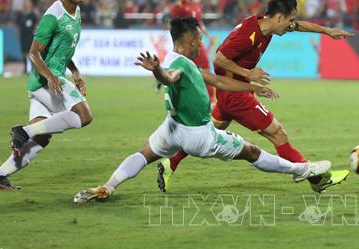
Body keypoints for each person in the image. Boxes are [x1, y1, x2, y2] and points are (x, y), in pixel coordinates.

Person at [73, 18, 330, 202]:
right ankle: (302, 170)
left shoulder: (182, 61)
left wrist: (251, 87)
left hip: (171, 128)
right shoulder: (179, 66)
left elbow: (218, 81)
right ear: (189, 40)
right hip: (199, 135)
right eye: (198, 39)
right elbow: (170, 77)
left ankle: (108, 186)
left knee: (144, 154)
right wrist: (158, 72)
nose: (201, 44)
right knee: (251, 151)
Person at [157, 0, 353, 193]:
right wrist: (247, 73)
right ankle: (317, 179)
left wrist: (328, 31)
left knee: (209, 130)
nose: (292, 25)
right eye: (290, 20)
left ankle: (170, 163)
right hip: (236, 94)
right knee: (277, 134)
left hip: (229, 93)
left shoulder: (266, 25)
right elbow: (219, 59)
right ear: (279, 18)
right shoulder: (248, 34)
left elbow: (299, 26)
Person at [0, 0, 93, 189]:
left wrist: (75, 71)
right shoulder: (53, 16)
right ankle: (22, 131)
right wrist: (51, 76)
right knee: (84, 115)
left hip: (49, 78)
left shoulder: (76, 11)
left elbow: (64, 48)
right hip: (46, 80)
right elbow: (33, 53)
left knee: (42, 136)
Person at [168, 0, 215, 102]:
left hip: (197, 44)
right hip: (185, 46)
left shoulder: (197, 5)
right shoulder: (178, 7)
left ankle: (210, 100)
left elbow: (199, 23)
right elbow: (173, 27)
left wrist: (209, 37)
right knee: (182, 71)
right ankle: (179, 99)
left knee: (205, 69)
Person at [15, 0, 39, 73]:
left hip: (30, 35)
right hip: (23, 35)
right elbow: (17, 24)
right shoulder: (21, 14)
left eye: (28, 3)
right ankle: (25, 69)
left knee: (30, 52)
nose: (27, 4)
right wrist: (16, 31)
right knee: (24, 52)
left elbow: (37, 23)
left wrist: (36, 31)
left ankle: (33, 69)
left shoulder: (32, 14)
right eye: (26, 3)